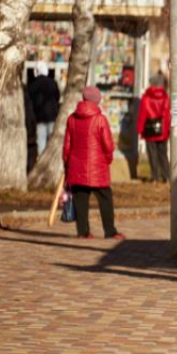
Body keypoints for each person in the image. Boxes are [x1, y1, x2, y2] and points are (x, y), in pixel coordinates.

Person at [62, 86, 124, 240]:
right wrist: (108, 159)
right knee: (105, 198)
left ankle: (83, 232)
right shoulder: (100, 119)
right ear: (96, 101)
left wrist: (66, 165)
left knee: (80, 198)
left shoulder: (72, 118)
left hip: (76, 166)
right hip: (98, 167)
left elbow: (67, 146)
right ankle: (110, 231)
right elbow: (108, 145)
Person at [137, 73, 171, 183]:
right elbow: (167, 115)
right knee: (163, 154)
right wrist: (168, 129)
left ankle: (155, 177)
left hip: (150, 130)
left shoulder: (146, 97)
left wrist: (140, 129)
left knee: (152, 155)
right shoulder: (165, 97)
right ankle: (166, 176)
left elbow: (143, 114)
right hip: (163, 131)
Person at [29, 61, 60, 155]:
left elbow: (31, 101)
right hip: (52, 116)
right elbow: (57, 97)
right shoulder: (53, 83)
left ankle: (41, 161)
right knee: (52, 140)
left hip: (39, 117)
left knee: (41, 141)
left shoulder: (33, 85)